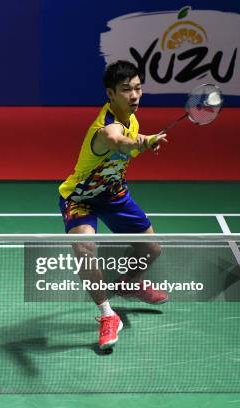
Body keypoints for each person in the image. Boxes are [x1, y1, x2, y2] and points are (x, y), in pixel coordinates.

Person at [58, 60, 168, 350]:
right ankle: (108, 314)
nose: (134, 96)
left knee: (152, 249)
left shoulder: (132, 119)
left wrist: (146, 139)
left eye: (138, 88)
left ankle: (129, 283)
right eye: (126, 90)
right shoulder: (103, 129)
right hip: (81, 198)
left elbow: (131, 137)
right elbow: (119, 142)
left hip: (114, 194)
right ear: (110, 94)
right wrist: (141, 144)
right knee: (84, 249)